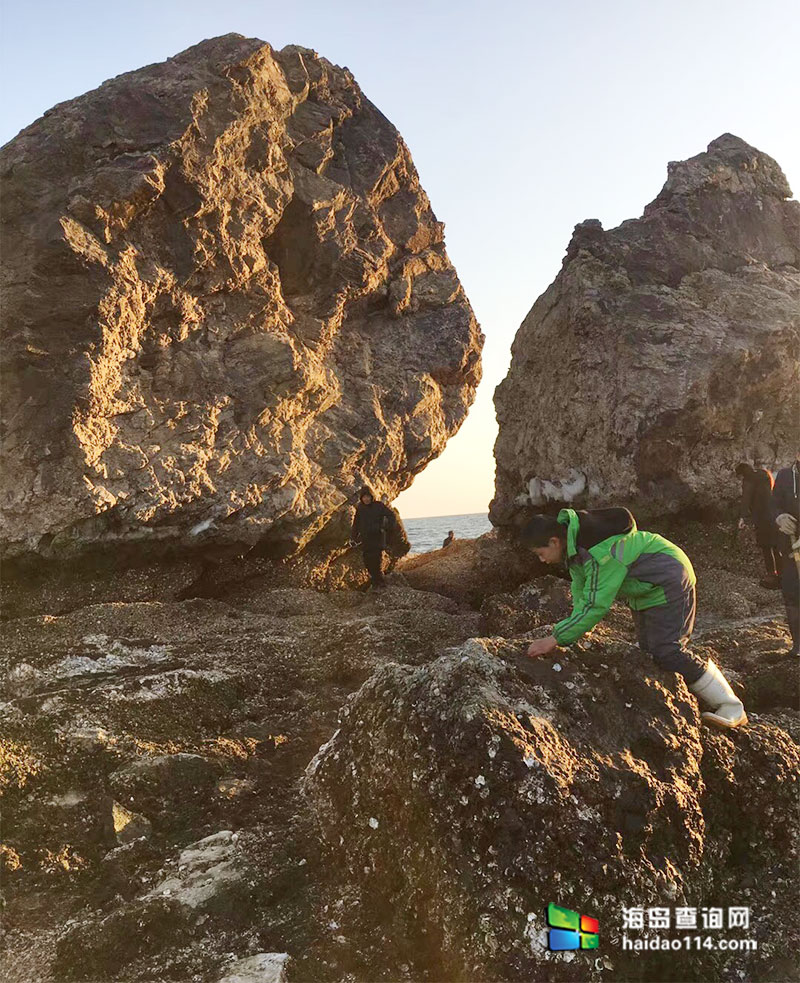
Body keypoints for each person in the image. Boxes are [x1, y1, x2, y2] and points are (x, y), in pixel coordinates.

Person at [520, 507, 747, 729]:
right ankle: (688, 702)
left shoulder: (598, 551)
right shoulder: (577, 550)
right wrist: (574, 632)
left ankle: (731, 706)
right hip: (646, 589)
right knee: (650, 653)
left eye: (541, 554)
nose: (542, 560)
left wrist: (556, 638)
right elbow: (582, 593)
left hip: (670, 579)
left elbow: (596, 604)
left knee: (668, 651)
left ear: (553, 542)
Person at [735, 462, 781, 588]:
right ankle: (782, 576)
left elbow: (746, 499)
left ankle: (772, 576)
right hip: (775, 515)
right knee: (777, 547)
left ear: (742, 474)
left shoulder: (749, 481)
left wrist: (743, 517)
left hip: (762, 518)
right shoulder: (765, 474)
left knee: (766, 547)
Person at [773, 453, 800, 656]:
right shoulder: (784, 476)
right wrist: (779, 517)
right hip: (790, 550)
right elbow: (773, 504)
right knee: (792, 596)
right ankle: (798, 646)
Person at [350, 485, 395, 590]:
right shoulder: (360, 508)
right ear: (361, 498)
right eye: (364, 497)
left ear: (371, 497)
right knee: (367, 562)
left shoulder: (378, 506)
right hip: (365, 539)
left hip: (377, 538)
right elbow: (356, 524)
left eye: (368, 497)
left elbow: (391, 515)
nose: (366, 499)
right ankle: (377, 581)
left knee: (376, 561)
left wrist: (386, 527)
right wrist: (353, 537)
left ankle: (380, 584)